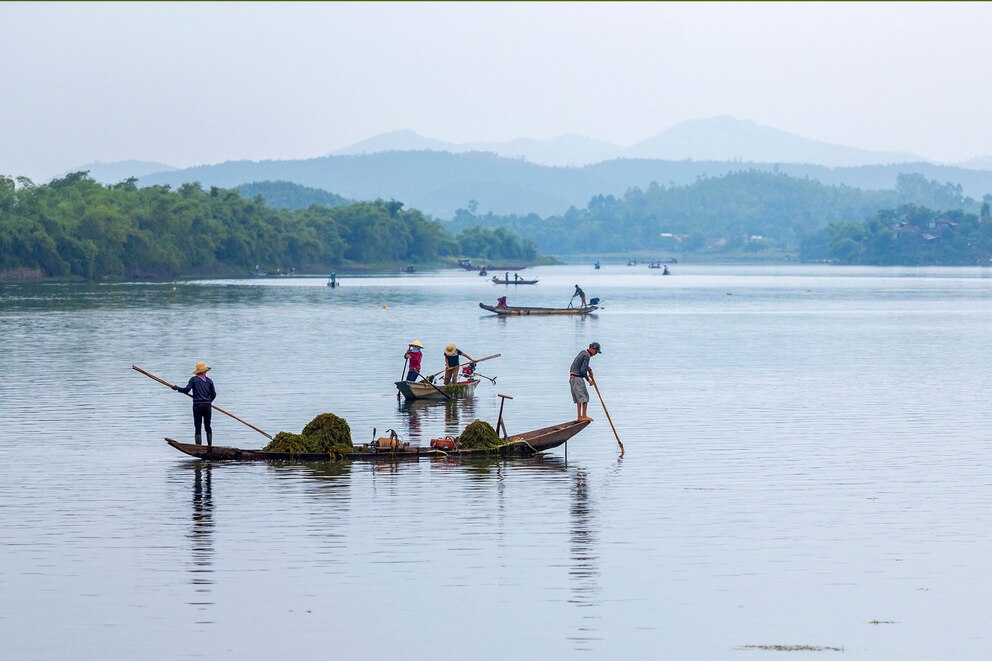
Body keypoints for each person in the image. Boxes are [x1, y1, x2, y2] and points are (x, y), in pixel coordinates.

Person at [173, 361, 217, 447]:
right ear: (205, 371)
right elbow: (214, 394)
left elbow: (186, 390)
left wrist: (177, 388)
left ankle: (198, 447)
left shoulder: (193, 380)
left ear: (197, 371)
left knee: (198, 426)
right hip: (207, 406)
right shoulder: (209, 381)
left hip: (197, 406)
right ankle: (210, 446)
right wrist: (208, 402)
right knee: (208, 426)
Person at [569, 342, 601, 421]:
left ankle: (580, 417)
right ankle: (583, 416)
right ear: (592, 349)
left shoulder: (583, 352)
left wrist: (589, 369)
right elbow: (582, 370)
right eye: (596, 351)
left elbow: (583, 365)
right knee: (584, 398)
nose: (596, 353)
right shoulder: (587, 356)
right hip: (577, 378)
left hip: (573, 378)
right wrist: (588, 380)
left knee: (579, 398)